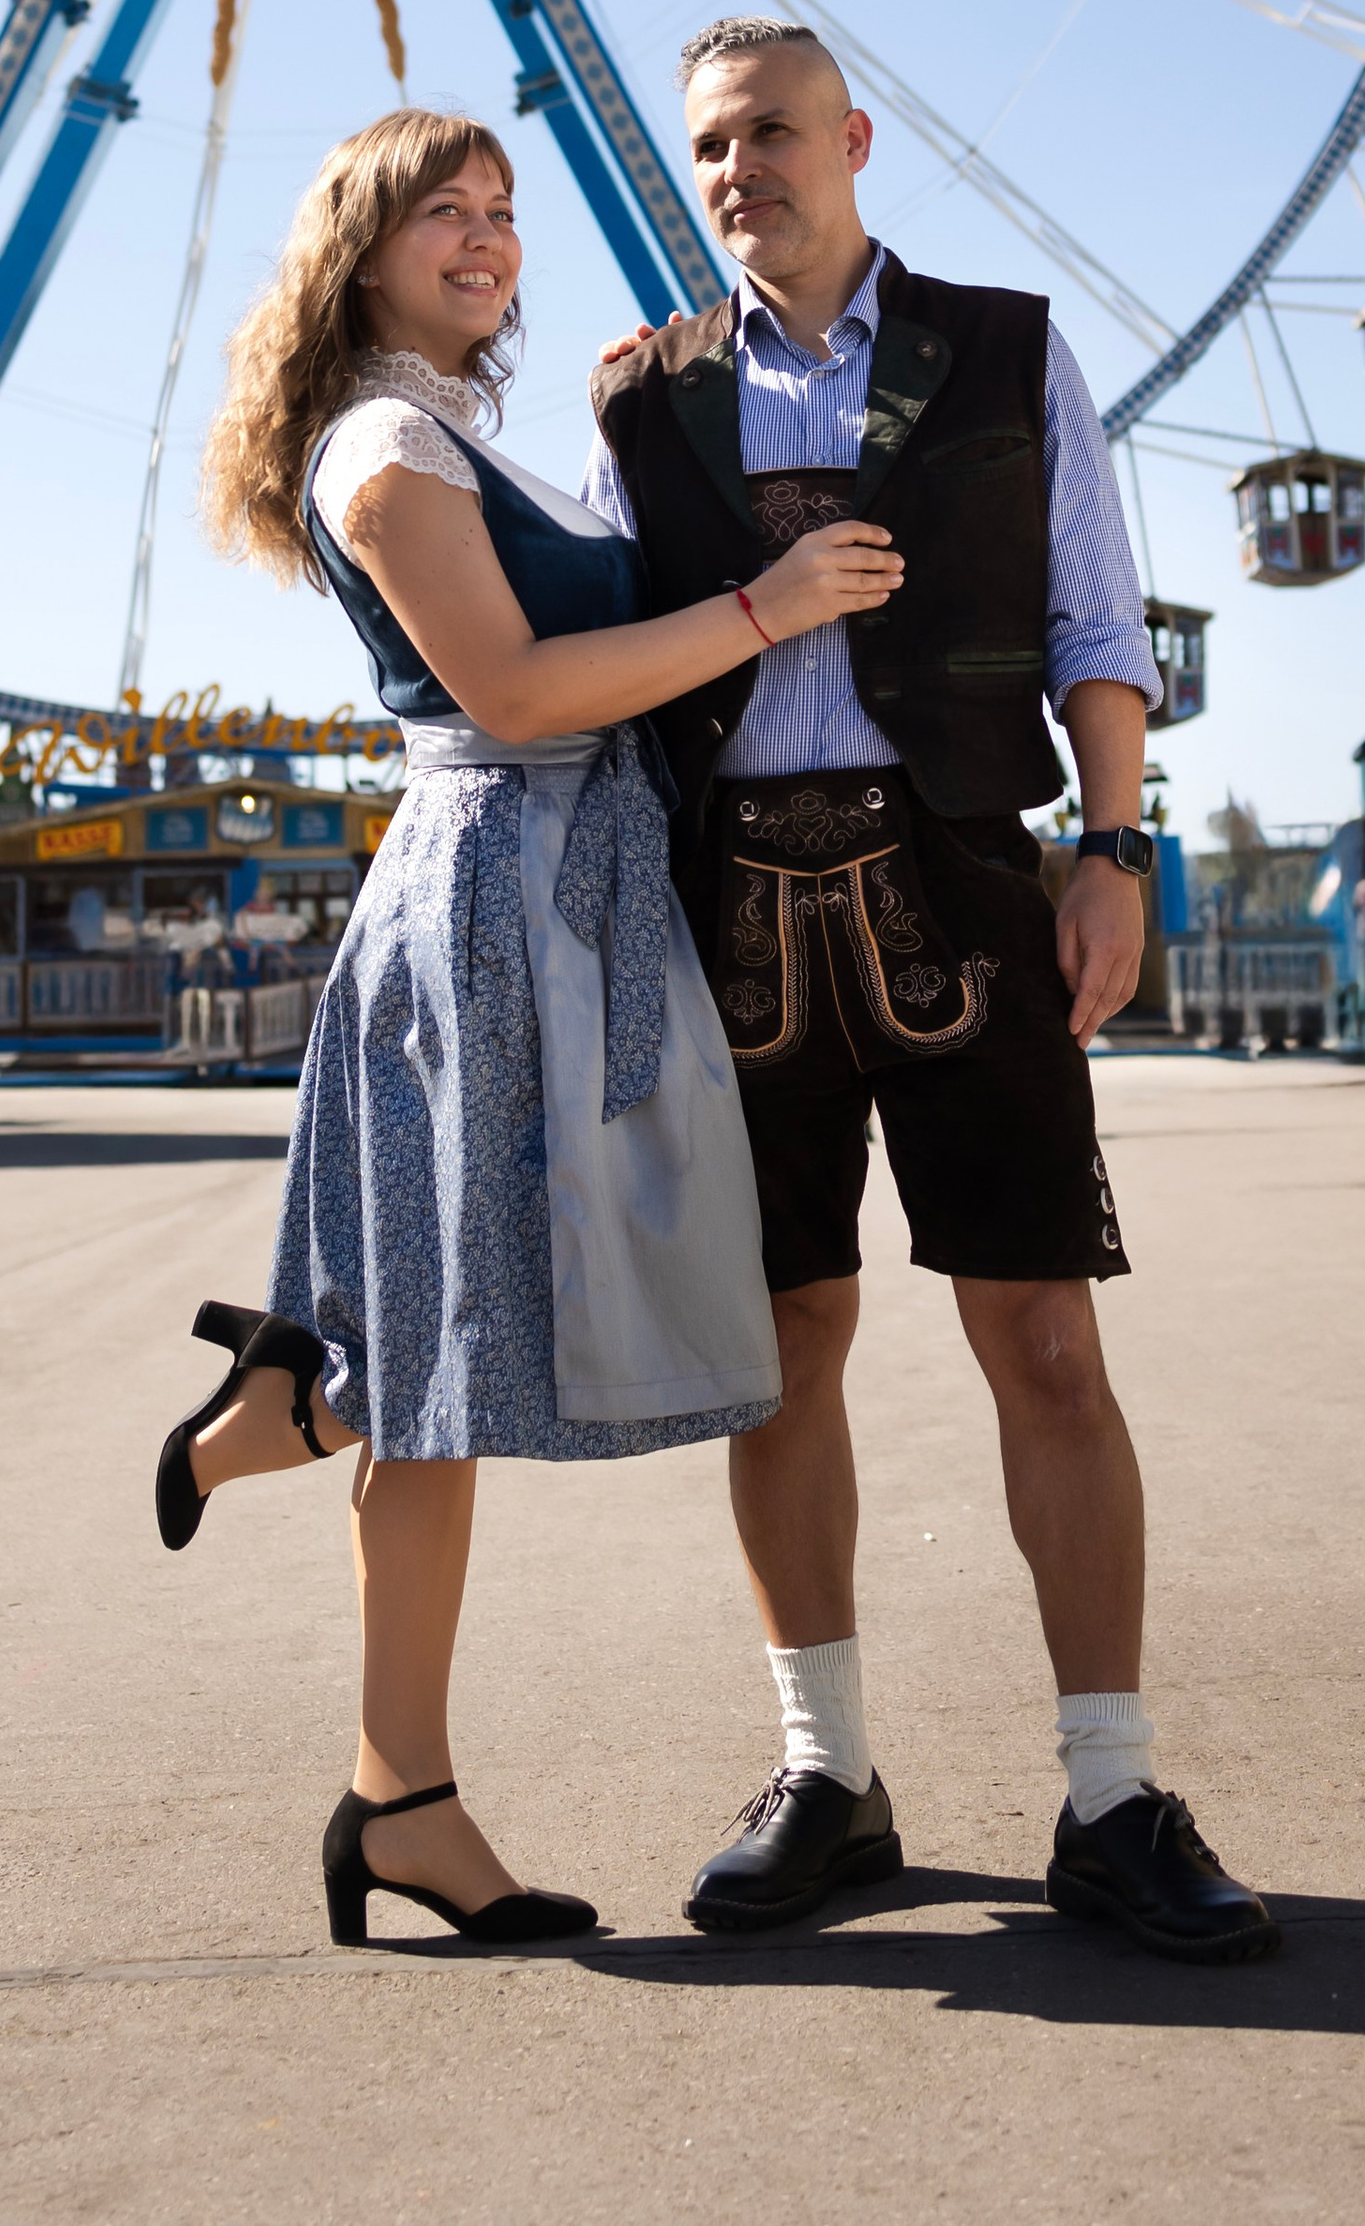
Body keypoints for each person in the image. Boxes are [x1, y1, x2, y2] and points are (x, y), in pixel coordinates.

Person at [165, 106, 901, 1949]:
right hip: (497, 896)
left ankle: (280, 1412)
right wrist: (767, 606)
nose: (488, 239)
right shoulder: (382, 446)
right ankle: (393, 1776)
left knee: (460, 1341)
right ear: (362, 251)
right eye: (445, 216)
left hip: (576, 884)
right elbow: (506, 685)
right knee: (451, 1366)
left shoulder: (474, 433)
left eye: (502, 212)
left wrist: (637, 416)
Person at [585, 17, 1278, 1965]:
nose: (744, 172)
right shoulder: (639, 390)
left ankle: (1110, 1788)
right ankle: (826, 1774)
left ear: (854, 137)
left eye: (775, 134)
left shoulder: (1000, 345)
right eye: (713, 145)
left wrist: (1116, 848)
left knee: (1041, 1340)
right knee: (781, 1344)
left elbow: (1090, 612)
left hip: (964, 873)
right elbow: (621, 652)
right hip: (729, 899)